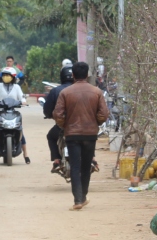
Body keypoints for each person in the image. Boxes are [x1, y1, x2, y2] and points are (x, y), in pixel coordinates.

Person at [53, 61, 109, 210]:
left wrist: (64, 125)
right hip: (90, 134)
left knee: (75, 166)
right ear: (87, 75)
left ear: (73, 75)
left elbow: (57, 114)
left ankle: (78, 200)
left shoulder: (65, 93)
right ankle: (83, 196)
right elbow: (104, 114)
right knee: (86, 166)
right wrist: (94, 122)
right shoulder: (97, 92)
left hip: (72, 134)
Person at [0, 66, 30, 163]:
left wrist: (23, 101)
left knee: (20, 131)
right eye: (4, 75)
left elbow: (21, 96)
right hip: (0, 112)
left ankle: (26, 154)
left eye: (8, 75)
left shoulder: (17, 87)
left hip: (13, 112)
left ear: (13, 77)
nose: (6, 77)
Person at [43, 64, 75, 173]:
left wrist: (49, 115)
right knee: (89, 138)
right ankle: (92, 159)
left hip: (62, 125)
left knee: (51, 137)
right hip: (81, 125)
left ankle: (56, 160)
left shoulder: (56, 91)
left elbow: (47, 110)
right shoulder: (83, 90)